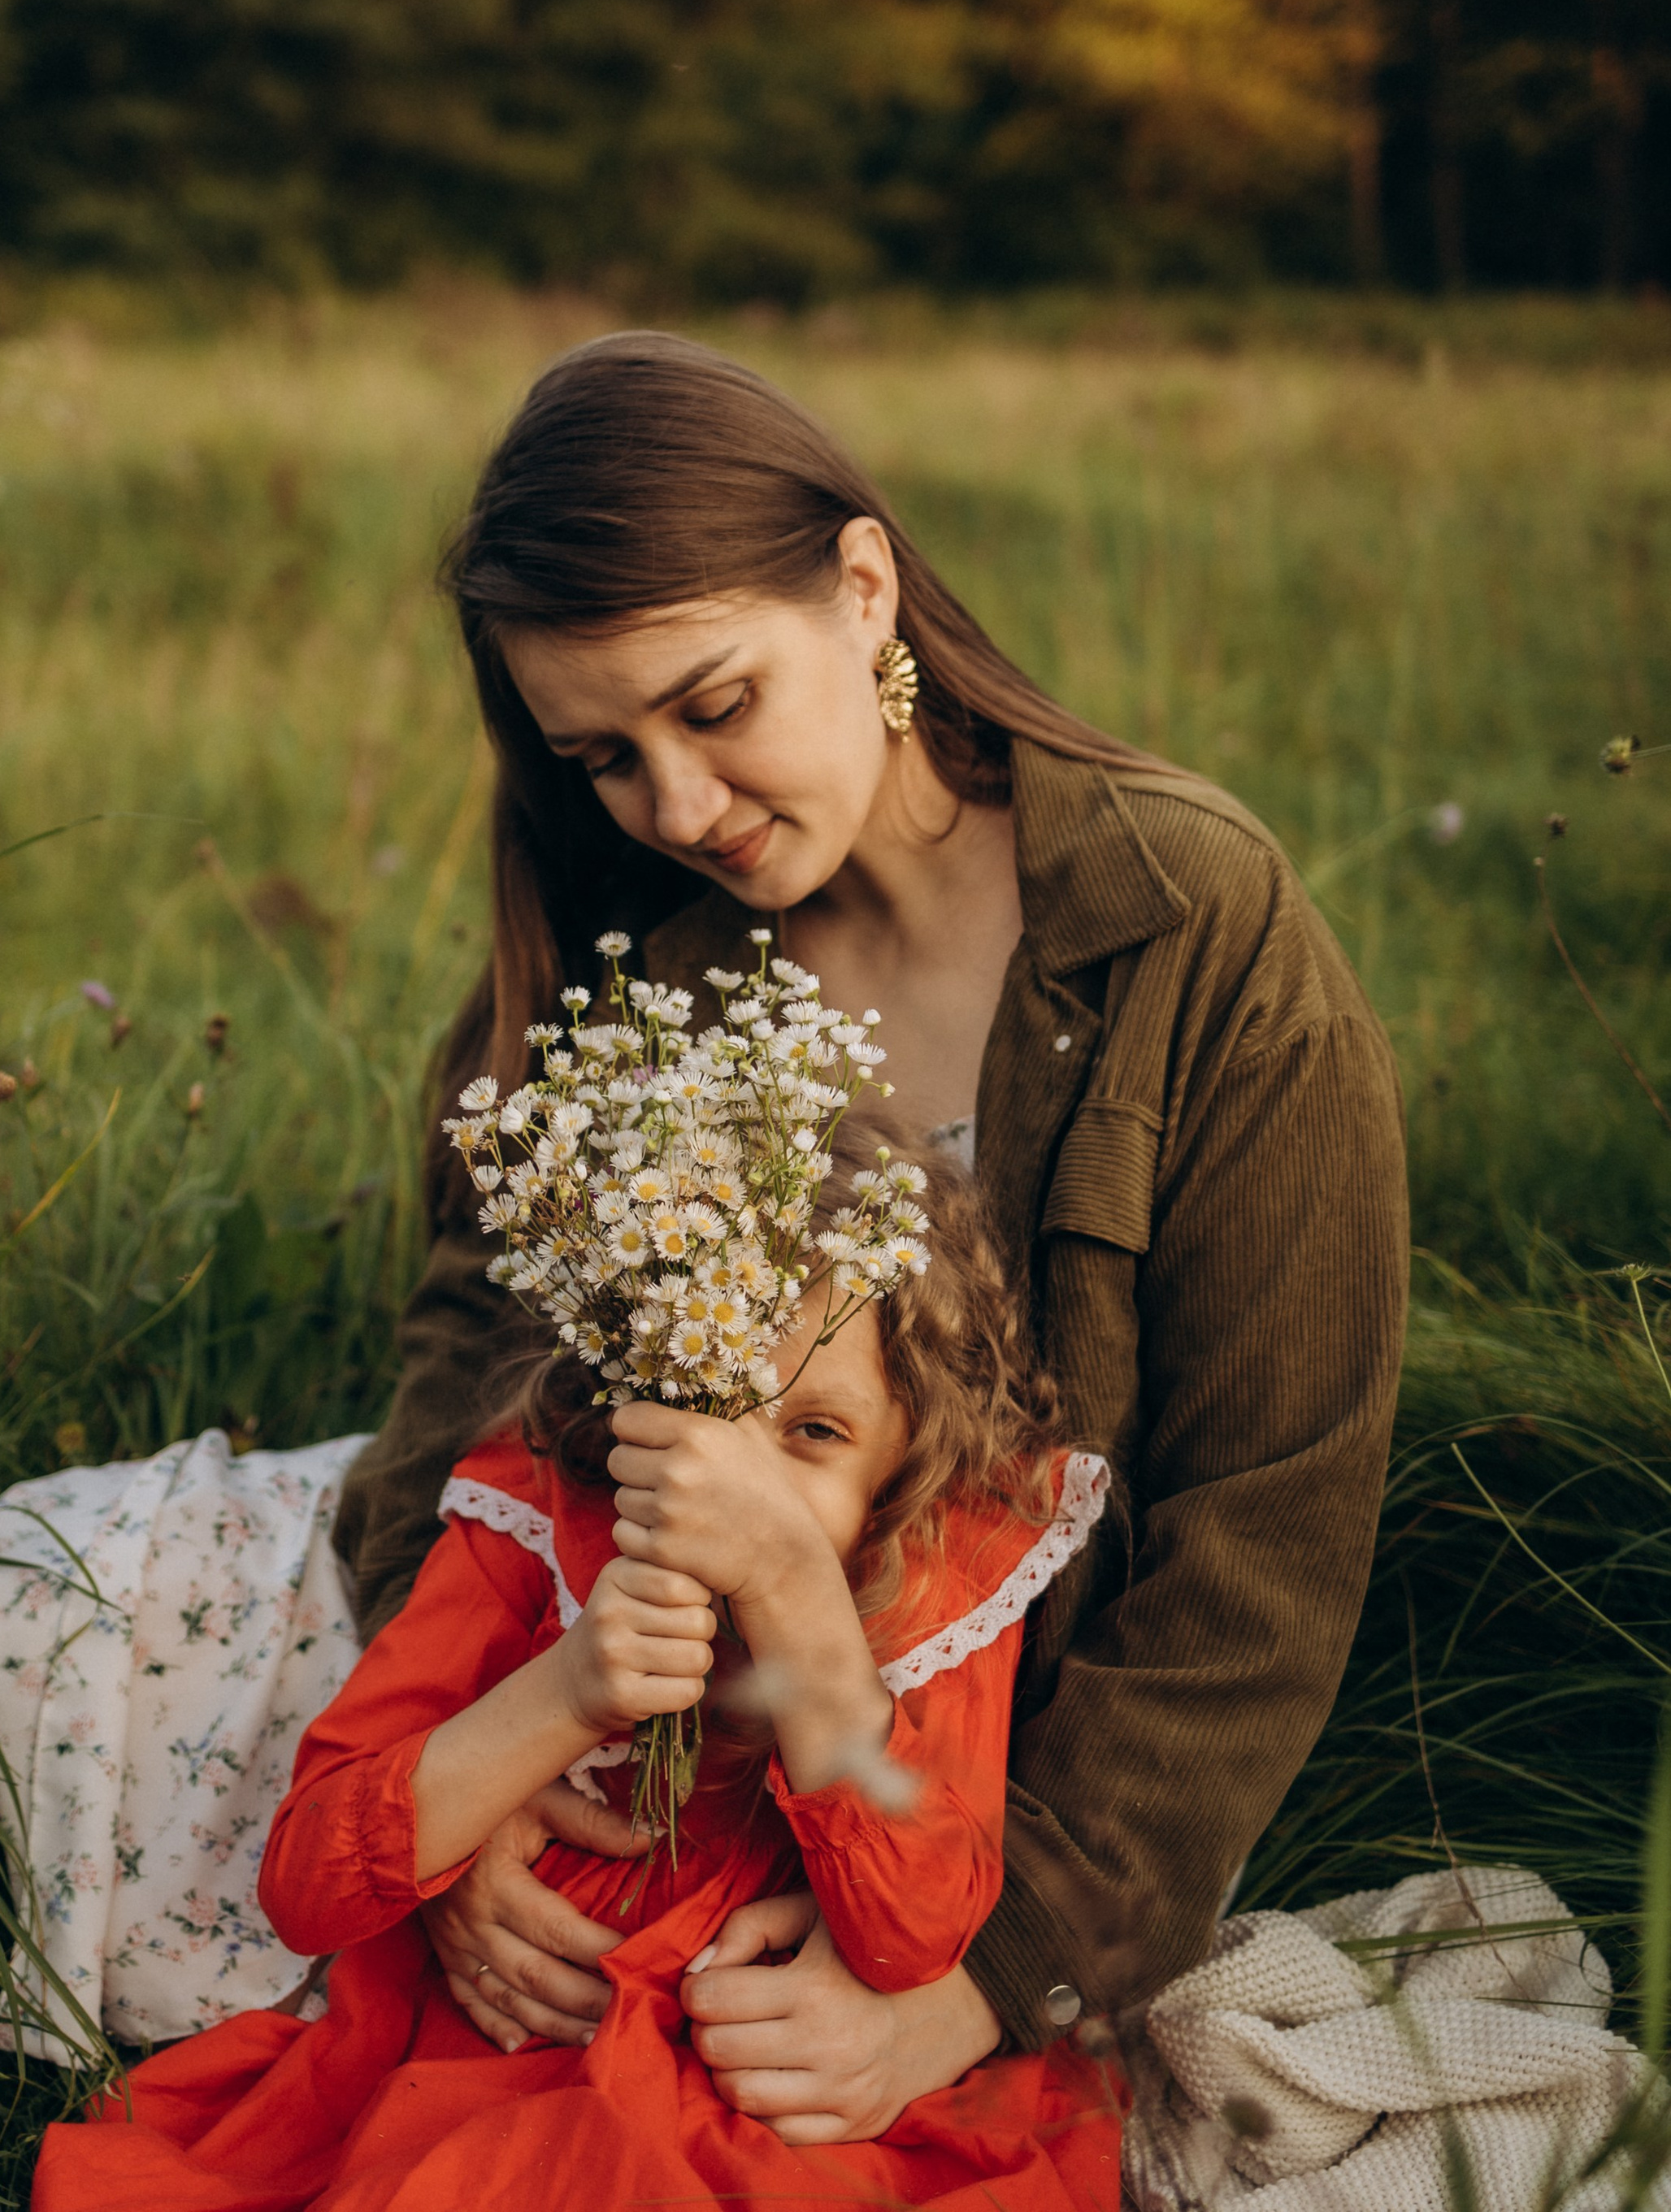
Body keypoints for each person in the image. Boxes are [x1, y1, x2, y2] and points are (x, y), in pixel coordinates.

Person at [329, 329, 1409, 2132]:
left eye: (714, 705)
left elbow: (1266, 1545)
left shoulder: (1185, 928)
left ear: (858, 586)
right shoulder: (652, 965)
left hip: (980, 1795)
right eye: (600, 756)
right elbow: (466, 1368)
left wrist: (982, 1988)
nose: (673, 808)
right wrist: (472, 1786)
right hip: (638, 1734)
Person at [31, 1124, 1122, 2212]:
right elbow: (308, 1885)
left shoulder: (930, 1579)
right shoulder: (539, 1524)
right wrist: (562, 1696)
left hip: (761, 2084)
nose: (735, 1479)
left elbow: (913, 1936)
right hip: (504, 2050)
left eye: (813, 1433)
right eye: (707, 1404)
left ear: (902, 1456)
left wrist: (797, 1600)